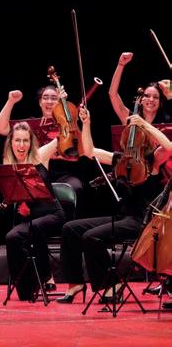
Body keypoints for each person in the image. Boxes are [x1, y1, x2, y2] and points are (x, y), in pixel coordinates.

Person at [57, 108, 172, 303]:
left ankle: (112, 284)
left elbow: (169, 147)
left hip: (142, 221)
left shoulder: (153, 161)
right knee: (70, 229)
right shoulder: (121, 159)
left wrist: (144, 124)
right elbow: (90, 151)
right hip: (123, 217)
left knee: (91, 237)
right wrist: (87, 123)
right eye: (129, 139)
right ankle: (75, 282)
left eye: (137, 138)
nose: (132, 144)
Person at [0, 113, 66, 301]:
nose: (21, 145)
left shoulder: (40, 155)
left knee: (35, 228)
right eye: (17, 140)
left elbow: (61, 139)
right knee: (13, 236)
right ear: (11, 143)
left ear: (31, 143)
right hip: (30, 219)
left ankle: (45, 275)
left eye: (25, 140)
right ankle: (26, 286)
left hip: (52, 214)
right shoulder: (9, 164)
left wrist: (66, 116)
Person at [0, 87, 87, 218]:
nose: (49, 101)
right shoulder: (30, 125)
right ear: (40, 102)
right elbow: (0, 128)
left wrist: (65, 109)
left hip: (64, 173)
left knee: (76, 187)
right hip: (36, 174)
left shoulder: (67, 124)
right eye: (45, 98)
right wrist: (11, 101)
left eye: (54, 98)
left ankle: (66, 225)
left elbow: (82, 149)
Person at [108, 52, 170, 124]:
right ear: (140, 100)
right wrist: (121, 64)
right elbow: (112, 94)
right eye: (147, 96)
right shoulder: (130, 119)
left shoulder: (167, 122)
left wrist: (170, 94)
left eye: (156, 97)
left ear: (160, 102)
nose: (151, 99)